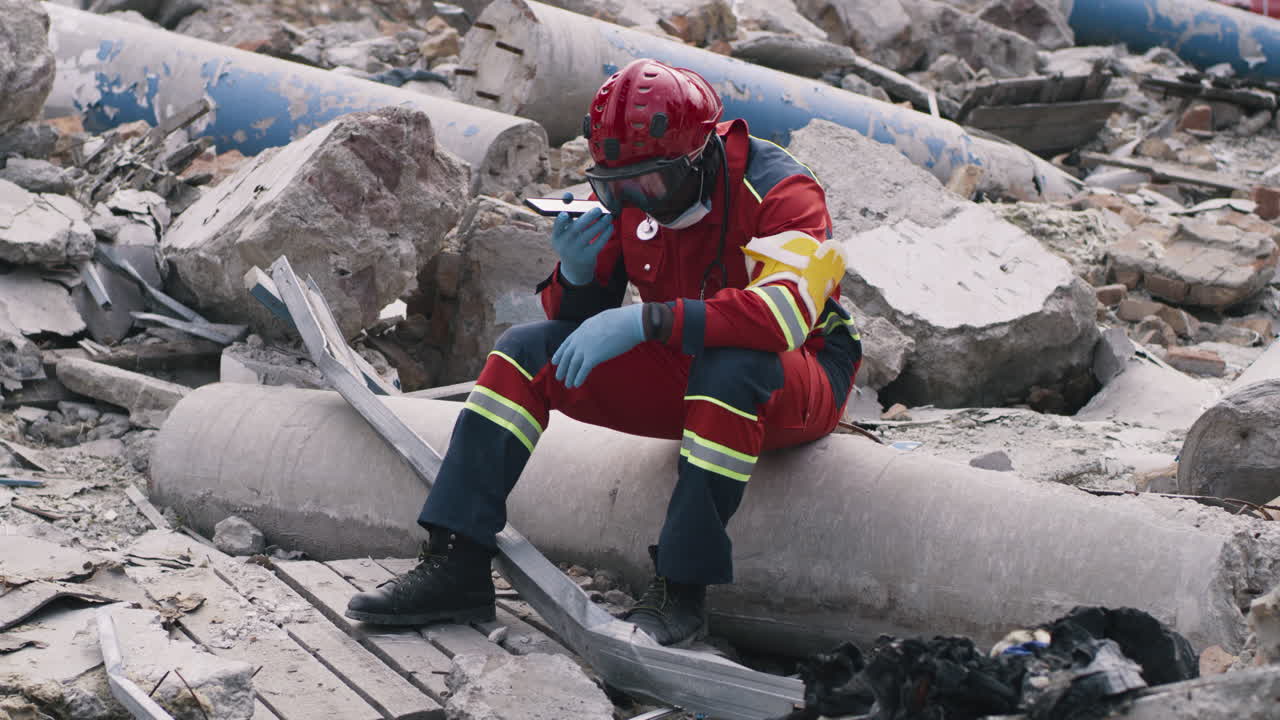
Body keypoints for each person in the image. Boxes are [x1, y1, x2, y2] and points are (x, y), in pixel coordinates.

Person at [346, 58, 862, 647]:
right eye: (613, 186)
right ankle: (456, 561)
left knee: (731, 365)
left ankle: (681, 591)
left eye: (647, 184)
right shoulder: (633, 195)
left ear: (697, 158)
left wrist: (647, 319)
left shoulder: (780, 189)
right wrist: (576, 273)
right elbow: (578, 323)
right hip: (688, 364)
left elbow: (782, 317)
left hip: (799, 373)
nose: (632, 199)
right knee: (524, 352)